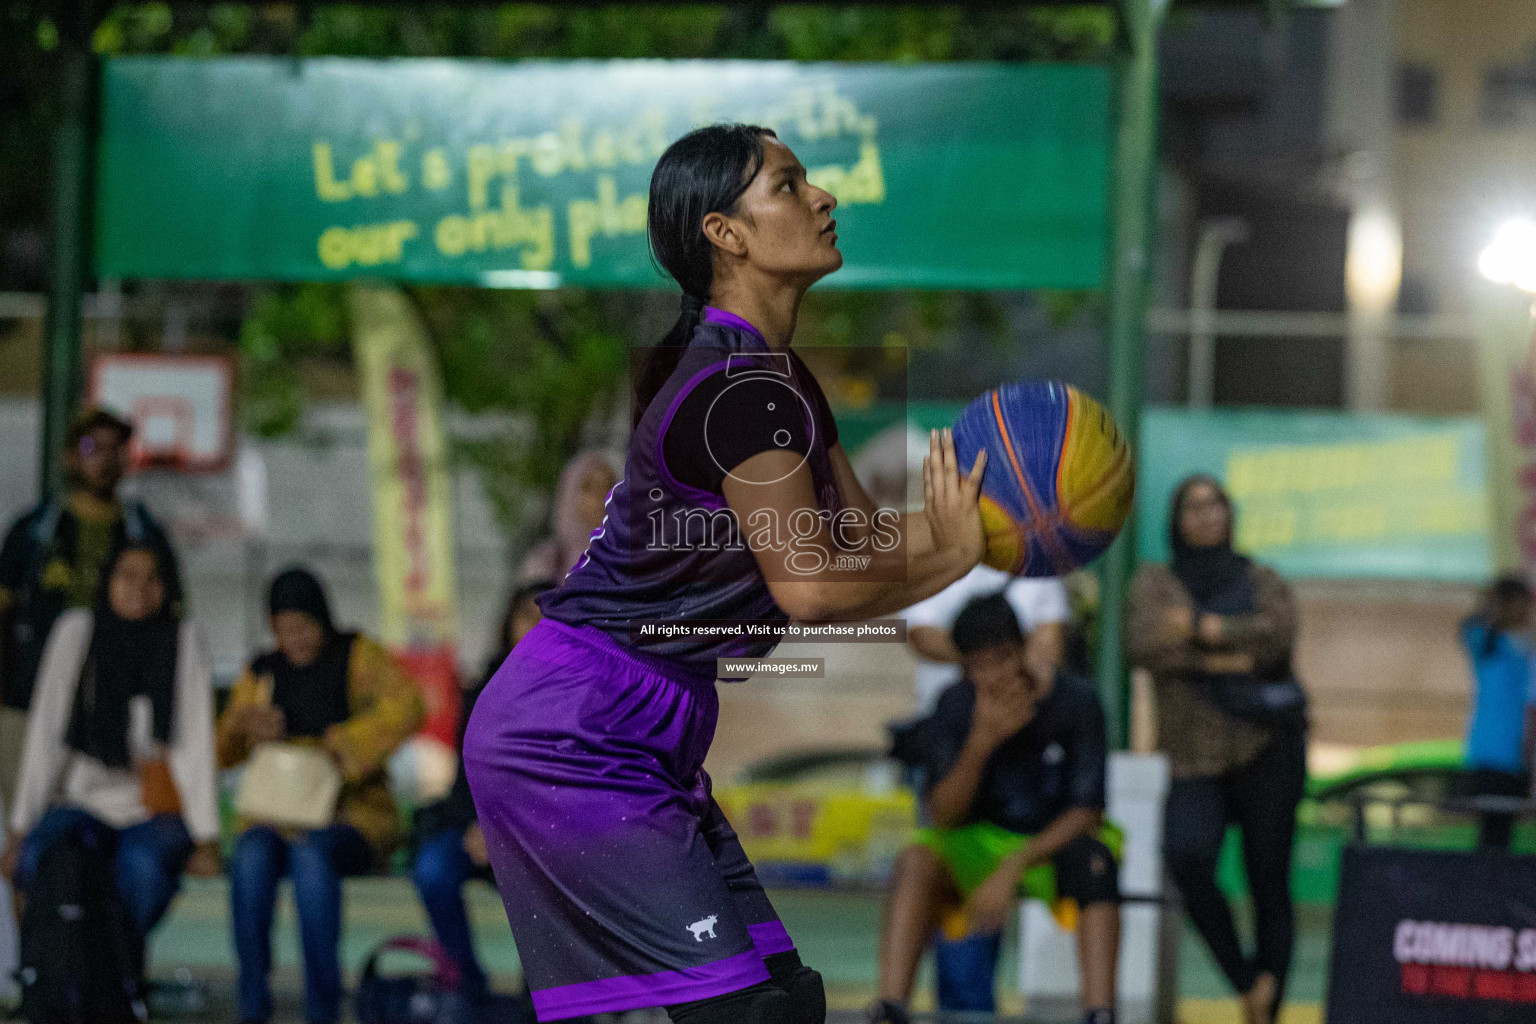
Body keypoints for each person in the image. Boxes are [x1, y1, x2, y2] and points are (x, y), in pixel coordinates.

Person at [464, 122, 989, 1024]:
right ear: (726, 233)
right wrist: (953, 555)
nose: (823, 199)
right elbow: (814, 588)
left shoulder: (778, 379)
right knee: (744, 1018)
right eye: (789, 187)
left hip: (633, 720)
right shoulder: (740, 390)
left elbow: (860, 541)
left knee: (784, 1002)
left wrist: (990, 530)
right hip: (573, 731)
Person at [872, 593, 1120, 1024]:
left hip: (1050, 847)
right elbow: (943, 814)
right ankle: (891, 1009)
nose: (996, 675)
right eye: (980, 666)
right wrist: (981, 740)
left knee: (1097, 862)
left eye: (1003, 658)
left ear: (1023, 646)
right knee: (915, 860)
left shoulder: (1077, 701)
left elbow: (1087, 811)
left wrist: (1013, 867)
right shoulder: (955, 704)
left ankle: (1100, 1013)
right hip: (976, 844)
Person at [1, 543, 219, 988]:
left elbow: (195, 741)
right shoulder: (78, 630)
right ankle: (44, 981)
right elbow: (47, 728)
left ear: (167, 586)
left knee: (142, 870)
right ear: (107, 580)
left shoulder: (181, 638)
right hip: (81, 798)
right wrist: (21, 826)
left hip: (151, 804)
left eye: (151, 577)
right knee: (36, 860)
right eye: (126, 575)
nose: (138, 588)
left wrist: (206, 835)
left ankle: (111, 980)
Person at [1128, 475, 1304, 1024]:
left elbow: (1280, 634)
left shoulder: (1261, 577)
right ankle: (1245, 979)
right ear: (1175, 519)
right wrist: (1227, 653)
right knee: (1186, 856)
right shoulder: (1155, 583)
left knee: (1269, 881)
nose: (1207, 516)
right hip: (1191, 754)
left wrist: (1201, 629)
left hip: (1267, 745)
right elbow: (1143, 644)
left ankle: (1265, 1008)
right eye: (1193, 507)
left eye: (1216, 505)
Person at [217, 568, 425, 1024]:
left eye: (304, 627)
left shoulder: (359, 657)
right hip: (275, 814)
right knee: (250, 857)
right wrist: (243, 726)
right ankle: (252, 1002)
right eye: (283, 629)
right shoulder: (261, 673)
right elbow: (221, 750)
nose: (294, 639)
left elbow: (410, 705)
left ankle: (322, 1007)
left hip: (351, 817)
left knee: (312, 858)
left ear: (323, 619)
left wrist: (345, 742)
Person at [0, 407, 182, 806]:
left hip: (116, 709)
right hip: (28, 701)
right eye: (89, 447)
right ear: (69, 456)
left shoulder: (144, 534)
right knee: (26, 817)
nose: (103, 458)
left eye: (116, 448)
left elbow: (172, 618)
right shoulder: (35, 531)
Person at [411, 579, 555, 1006]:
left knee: (556, 878)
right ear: (507, 624)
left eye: (548, 616)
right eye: (526, 616)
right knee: (433, 868)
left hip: (541, 836)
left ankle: (548, 1002)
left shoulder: (577, 690)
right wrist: (481, 828)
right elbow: (466, 778)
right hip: (481, 833)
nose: (536, 626)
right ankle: (467, 985)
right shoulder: (485, 688)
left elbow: (567, 785)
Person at [905, 564, 1070, 715]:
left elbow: (1049, 649)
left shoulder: (1038, 566)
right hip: (945, 715)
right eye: (980, 665)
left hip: (1025, 713)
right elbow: (921, 636)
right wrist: (997, 664)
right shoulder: (933, 565)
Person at [1458, 575, 1533, 848]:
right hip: (1491, 757)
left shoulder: (1523, 651)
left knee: (1500, 838)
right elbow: (1468, 626)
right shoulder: (1490, 644)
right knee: (1492, 838)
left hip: (1512, 759)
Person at [519, 451, 618, 583]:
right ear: (570, 492)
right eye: (590, 488)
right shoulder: (546, 563)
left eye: (608, 488)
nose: (600, 498)